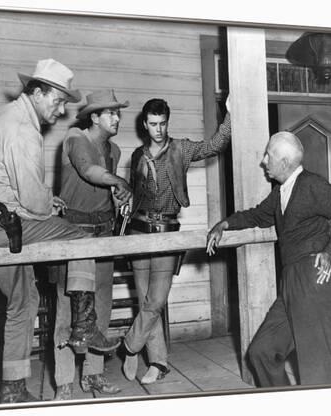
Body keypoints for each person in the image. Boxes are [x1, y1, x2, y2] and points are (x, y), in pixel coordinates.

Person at [0, 59, 119, 404]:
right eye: (58, 101)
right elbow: (33, 199)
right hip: (1, 229)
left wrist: (46, 203)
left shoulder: (2, 116)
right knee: (80, 238)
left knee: (24, 302)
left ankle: (13, 389)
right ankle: (83, 324)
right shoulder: (22, 127)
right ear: (36, 92)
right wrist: (47, 204)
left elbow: (18, 193)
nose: (62, 111)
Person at [206, 131, 331, 387]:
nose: (263, 160)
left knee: (317, 372)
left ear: (283, 161)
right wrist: (224, 224)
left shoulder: (311, 185)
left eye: (268, 155)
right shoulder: (283, 191)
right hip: (291, 283)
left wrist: (330, 250)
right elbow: (258, 215)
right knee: (262, 352)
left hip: (312, 280)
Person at [122, 97, 232, 384]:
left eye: (163, 124)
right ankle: (157, 363)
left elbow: (214, 145)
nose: (158, 130)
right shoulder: (136, 155)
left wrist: (230, 114)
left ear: (168, 123)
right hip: (138, 232)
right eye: (153, 124)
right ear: (145, 124)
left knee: (156, 301)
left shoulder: (181, 148)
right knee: (145, 300)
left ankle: (130, 346)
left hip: (167, 233)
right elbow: (134, 194)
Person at [52, 89, 132, 400]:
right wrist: (120, 182)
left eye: (118, 112)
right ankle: (64, 382)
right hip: (72, 232)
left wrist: (122, 199)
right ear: (94, 117)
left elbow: (107, 188)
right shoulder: (75, 138)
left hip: (104, 232)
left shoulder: (114, 151)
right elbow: (88, 170)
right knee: (67, 306)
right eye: (110, 112)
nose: (117, 117)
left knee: (101, 304)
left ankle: (94, 377)